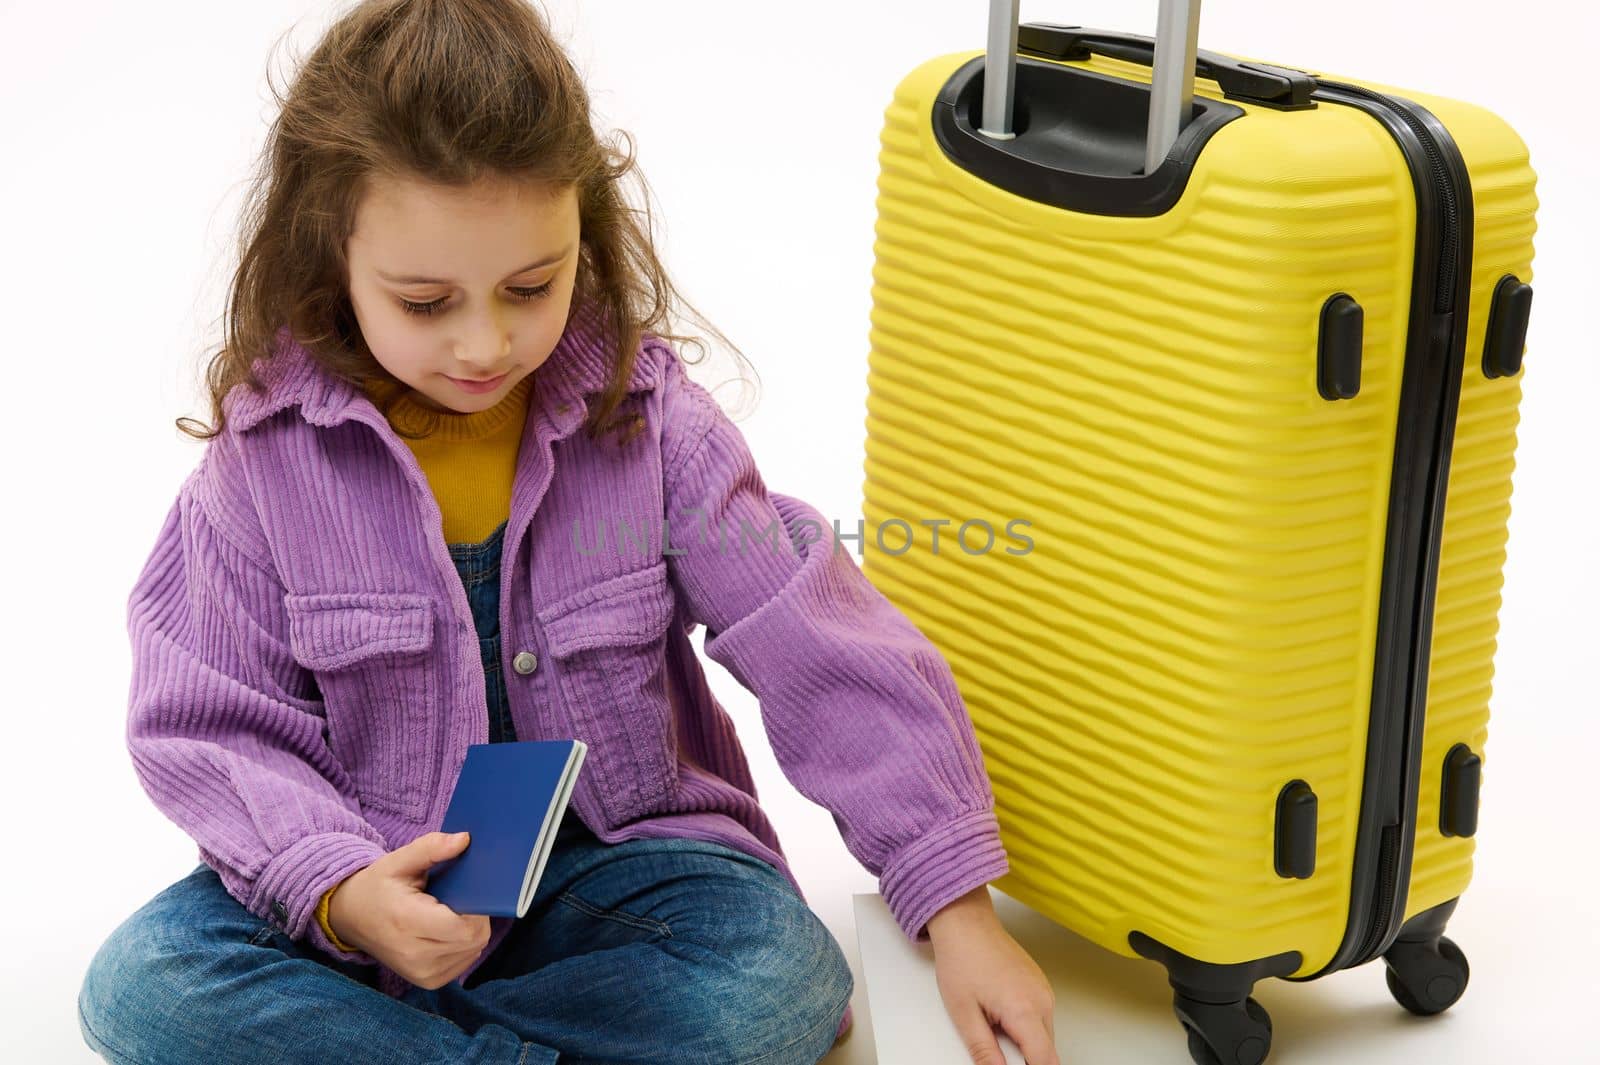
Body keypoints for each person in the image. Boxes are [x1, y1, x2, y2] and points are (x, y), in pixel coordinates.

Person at [76, 2, 1059, 1063]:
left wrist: (956, 908)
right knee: (146, 987)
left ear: (583, 232)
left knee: (777, 983)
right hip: (367, 869)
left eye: (529, 287)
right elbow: (211, 723)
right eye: (423, 302)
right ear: (333, 263)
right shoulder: (264, 467)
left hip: (622, 873)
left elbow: (816, 645)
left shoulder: (654, 429)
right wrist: (342, 893)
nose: (485, 342)